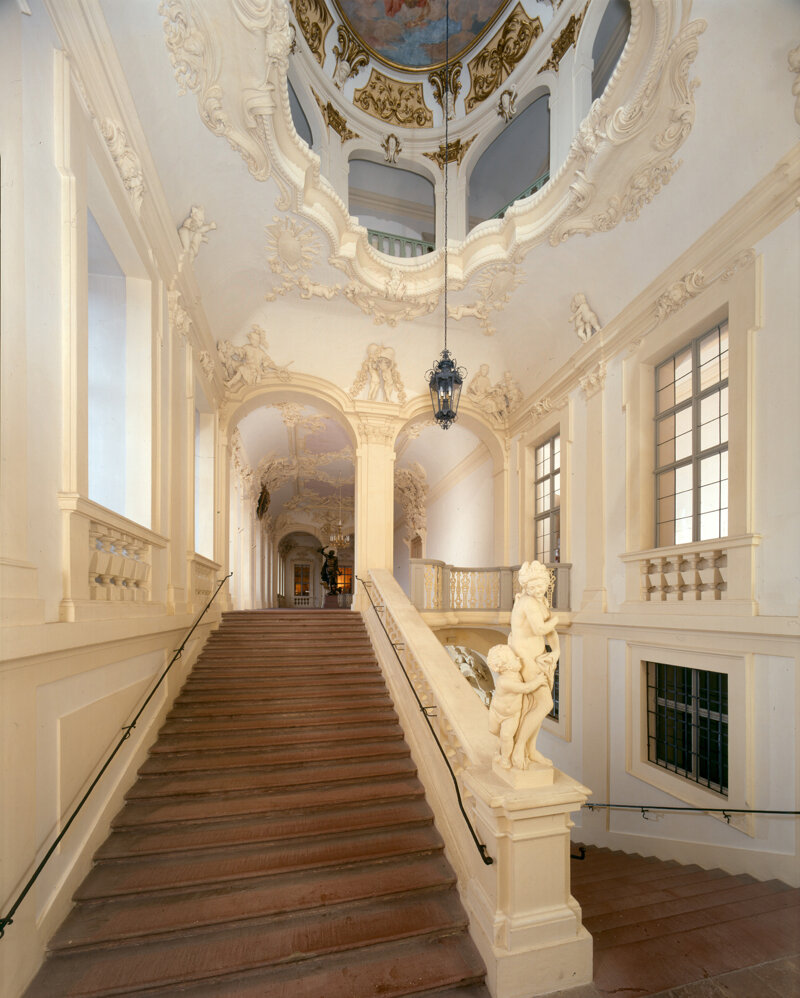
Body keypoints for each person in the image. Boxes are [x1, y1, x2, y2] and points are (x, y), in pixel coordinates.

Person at [507, 561, 560, 768]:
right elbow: (540, 629)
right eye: (533, 586)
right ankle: (519, 747)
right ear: (526, 586)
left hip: (539, 657)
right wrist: (556, 619)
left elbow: (550, 632)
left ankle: (530, 749)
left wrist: (556, 651)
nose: (538, 590)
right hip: (526, 659)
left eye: (541, 586)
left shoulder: (540, 601)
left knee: (534, 705)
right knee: (545, 704)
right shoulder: (527, 602)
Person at [487, 645, 547, 769]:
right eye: (514, 658)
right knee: (493, 730)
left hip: (511, 716)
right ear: (506, 666)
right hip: (496, 712)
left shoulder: (517, 676)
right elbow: (526, 688)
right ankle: (501, 750)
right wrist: (538, 681)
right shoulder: (504, 681)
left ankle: (505, 758)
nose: (518, 658)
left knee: (506, 736)